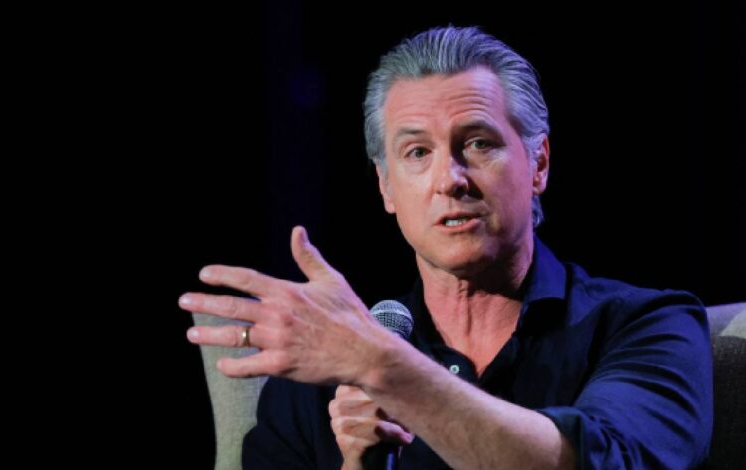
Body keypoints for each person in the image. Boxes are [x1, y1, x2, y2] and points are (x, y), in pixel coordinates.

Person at [179, 26, 713, 469]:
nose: (449, 179)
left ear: (539, 164)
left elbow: (605, 462)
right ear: (386, 187)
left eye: (478, 143)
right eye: (417, 152)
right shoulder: (324, 375)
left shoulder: (645, 326)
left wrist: (384, 368)